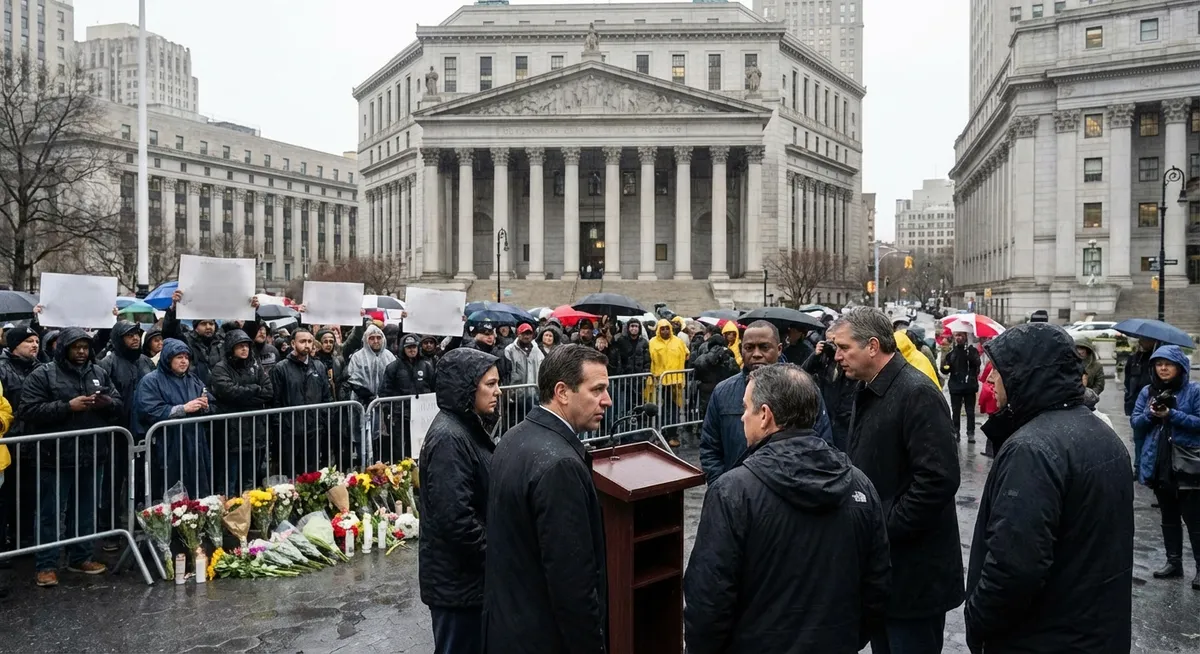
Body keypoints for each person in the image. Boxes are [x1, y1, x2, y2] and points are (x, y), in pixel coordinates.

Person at [684, 363, 890, 654]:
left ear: (765, 415)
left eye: (746, 408)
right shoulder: (860, 484)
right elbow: (877, 585)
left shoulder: (733, 491)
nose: (742, 417)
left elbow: (708, 598)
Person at [966, 323, 1132, 653]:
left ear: (1023, 375)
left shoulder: (1032, 449)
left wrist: (978, 622)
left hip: (1041, 637)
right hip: (1095, 632)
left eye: (997, 371)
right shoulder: (1103, 434)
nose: (989, 380)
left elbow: (1013, 569)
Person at [829, 307, 963, 654]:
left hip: (914, 576)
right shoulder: (869, 389)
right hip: (885, 575)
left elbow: (937, 481)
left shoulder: (917, 392)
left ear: (873, 346)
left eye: (844, 348)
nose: (837, 356)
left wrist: (880, 524)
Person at [484, 345, 611, 654]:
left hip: (507, 630)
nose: (607, 400)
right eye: (597, 390)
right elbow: (572, 583)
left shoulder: (512, 437)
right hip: (542, 637)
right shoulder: (560, 465)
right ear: (562, 392)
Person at [20, 328, 123, 587]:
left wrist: (107, 404)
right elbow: (28, 410)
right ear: (63, 348)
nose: (81, 352)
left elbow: (118, 404)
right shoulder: (43, 374)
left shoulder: (98, 372)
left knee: (86, 509)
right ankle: (46, 564)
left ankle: (81, 556)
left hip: (91, 454)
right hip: (55, 457)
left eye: (85, 347)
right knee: (50, 513)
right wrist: (67, 407)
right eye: (75, 347)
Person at [419, 347, 501, 654]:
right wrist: (494, 556)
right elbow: (456, 519)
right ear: (468, 387)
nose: (498, 391)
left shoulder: (466, 428)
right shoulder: (450, 438)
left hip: (467, 581)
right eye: (490, 384)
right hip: (457, 585)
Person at [700, 321, 834, 484]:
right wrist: (721, 486)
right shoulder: (722, 392)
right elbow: (710, 449)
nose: (756, 354)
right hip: (737, 494)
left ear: (778, 349)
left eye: (764, 347)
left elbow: (823, 444)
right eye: (749, 348)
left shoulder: (803, 389)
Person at [1135, 344, 1200, 587]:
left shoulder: (1194, 391)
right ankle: (1174, 562)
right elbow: (1136, 421)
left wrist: (1172, 415)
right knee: (1169, 517)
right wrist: (1152, 415)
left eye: (1168, 364)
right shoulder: (1148, 391)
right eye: (1158, 364)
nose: (1163, 368)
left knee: (1194, 520)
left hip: (1187, 463)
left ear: (1180, 367)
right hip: (1159, 463)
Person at [96, 321, 154, 546]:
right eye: (129, 335)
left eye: (137, 335)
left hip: (143, 431)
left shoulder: (145, 361)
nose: (135, 339)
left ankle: (141, 525)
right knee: (113, 483)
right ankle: (109, 530)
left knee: (142, 480)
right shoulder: (108, 362)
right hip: (117, 433)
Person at [134, 338, 215, 500]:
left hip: (194, 441)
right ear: (168, 358)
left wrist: (206, 406)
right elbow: (148, 409)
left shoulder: (193, 379)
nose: (184, 361)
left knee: (196, 487)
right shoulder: (151, 380)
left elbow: (211, 402)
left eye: (186, 357)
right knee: (169, 487)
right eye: (179, 357)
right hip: (167, 443)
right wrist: (183, 409)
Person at [208, 329, 274, 495]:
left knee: (250, 479)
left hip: (254, 430)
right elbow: (228, 392)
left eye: (246, 346)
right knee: (229, 479)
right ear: (231, 348)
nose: (245, 349)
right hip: (231, 432)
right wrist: (253, 389)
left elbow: (268, 391)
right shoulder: (220, 368)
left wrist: (244, 395)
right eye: (240, 346)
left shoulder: (255, 365)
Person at [269, 329, 334, 475]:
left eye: (309, 341)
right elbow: (276, 401)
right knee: (290, 472)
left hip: (314, 427)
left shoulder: (318, 366)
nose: (307, 345)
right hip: (290, 429)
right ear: (293, 343)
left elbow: (326, 396)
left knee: (311, 472)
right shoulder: (281, 368)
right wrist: (279, 426)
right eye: (302, 341)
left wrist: (323, 419)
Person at [0, 326, 40, 553]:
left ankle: (23, 538)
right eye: (28, 341)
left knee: (28, 493)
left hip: (34, 442)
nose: (35, 344)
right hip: (9, 443)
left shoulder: (41, 368)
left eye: (36, 340)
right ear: (14, 346)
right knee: (6, 497)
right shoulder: (2, 369)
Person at [802, 338, 856, 452]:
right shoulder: (825, 359)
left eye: (837, 344)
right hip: (827, 416)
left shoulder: (848, 364)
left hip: (844, 423)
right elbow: (803, 373)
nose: (831, 346)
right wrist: (815, 355)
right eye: (828, 341)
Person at [649, 318, 690, 446]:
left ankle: (672, 433)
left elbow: (687, 354)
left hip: (675, 381)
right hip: (659, 381)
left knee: (674, 408)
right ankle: (660, 432)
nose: (665, 331)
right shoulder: (652, 342)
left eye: (667, 328)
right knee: (660, 408)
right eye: (662, 329)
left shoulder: (678, 342)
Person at [940, 325, 981, 443]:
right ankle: (956, 432)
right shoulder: (952, 353)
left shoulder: (972, 351)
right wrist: (945, 365)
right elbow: (945, 369)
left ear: (965, 337)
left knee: (970, 411)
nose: (958, 338)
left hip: (969, 386)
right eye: (956, 335)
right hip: (956, 387)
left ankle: (970, 433)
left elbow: (977, 364)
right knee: (956, 411)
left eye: (961, 335)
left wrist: (970, 357)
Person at [1125, 337, 1158, 475]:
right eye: (1142, 339)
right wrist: (1129, 396)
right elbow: (1127, 380)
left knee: (1154, 436)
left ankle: (1152, 466)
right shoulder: (1133, 359)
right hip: (1136, 402)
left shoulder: (1157, 359)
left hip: (1153, 400)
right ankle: (1138, 467)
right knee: (1138, 436)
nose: (1143, 342)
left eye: (1147, 340)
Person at [345, 324, 395, 406]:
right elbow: (354, 380)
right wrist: (369, 397)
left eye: (378, 337)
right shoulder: (358, 356)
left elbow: (393, 379)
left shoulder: (389, 356)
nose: (376, 341)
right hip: (362, 402)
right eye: (371, 338)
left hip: (384, 402)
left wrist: (383, 396)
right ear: (366, 339)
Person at [314, 328, 346, 400]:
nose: (329, 344)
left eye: (331, 342)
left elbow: (343, 381)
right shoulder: (313, 361)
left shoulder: (338, 361)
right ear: (319, 342)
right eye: (325, 341)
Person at [1072, 333, 1106, 397]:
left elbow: (1099, 385)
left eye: (1082, 348)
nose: (1079, 352)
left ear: (1088, 350)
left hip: (1088, 400)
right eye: (1077, 348)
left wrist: (1089, 395)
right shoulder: (1070, 363)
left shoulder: (1096, 366)